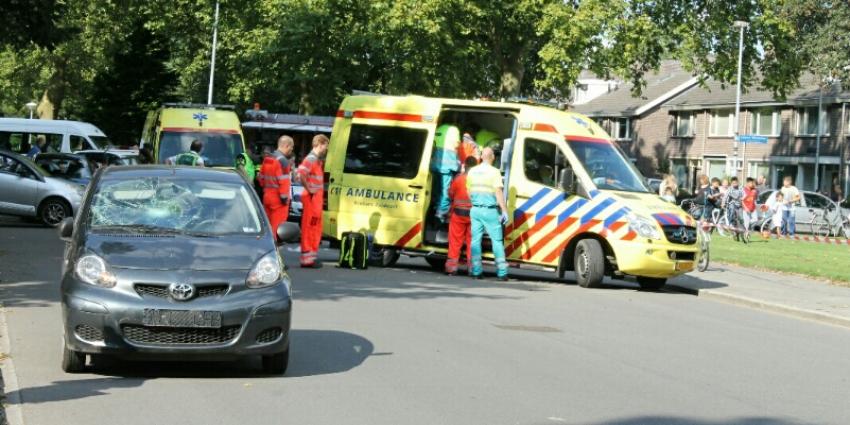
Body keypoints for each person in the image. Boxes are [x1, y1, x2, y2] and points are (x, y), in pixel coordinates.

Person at [466, 147, 509, 281]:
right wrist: (504, 210)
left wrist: (475, 202)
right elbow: (498, 192)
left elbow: (468, 190)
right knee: (496, 241)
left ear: (481, 157)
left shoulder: (472, 171)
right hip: (490, 211)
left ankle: (476, 271)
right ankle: (502, 272)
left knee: (475, 240)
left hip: (476, 210)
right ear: (493, 157)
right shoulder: (495, 172)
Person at [297, 134, 329, 268]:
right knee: (309, 227)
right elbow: (300, 175)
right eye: (326, 146)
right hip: (312, 198)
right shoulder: (311, 159)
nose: (326, 149)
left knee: (314, 227)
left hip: (314, 199)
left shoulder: (316, 160)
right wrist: (309, 189)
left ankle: (310, 257)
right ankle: (307, 259)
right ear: (320, 144)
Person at [445, 156, 479, 276]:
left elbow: (450, 194)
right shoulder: (479, 180)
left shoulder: (458, 179)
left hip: (458, 214)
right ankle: (473, 268)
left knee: (455, 241)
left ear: (465, 165)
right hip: (474, 215)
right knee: (473, 241)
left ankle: (452, 268)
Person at [258, 136, 294, 244]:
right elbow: (284, 182)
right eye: (291, 148)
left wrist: (266, 189)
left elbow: (261, 178)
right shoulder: (283, 161)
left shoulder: (268, 159)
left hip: (267, 196)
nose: (291, 151)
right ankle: (274, 249)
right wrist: (284, 198)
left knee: (267, 226)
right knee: (278, 228)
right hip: (278, 199)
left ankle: (266, 246)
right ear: (286, 145)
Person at [431, 125, 461, 221]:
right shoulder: (454, 129)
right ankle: (441, 213)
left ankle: (435, 207)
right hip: (447, 165)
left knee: (435, 189)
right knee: (445, 191)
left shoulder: (438, 128)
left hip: (435, 165)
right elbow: (456, 145)